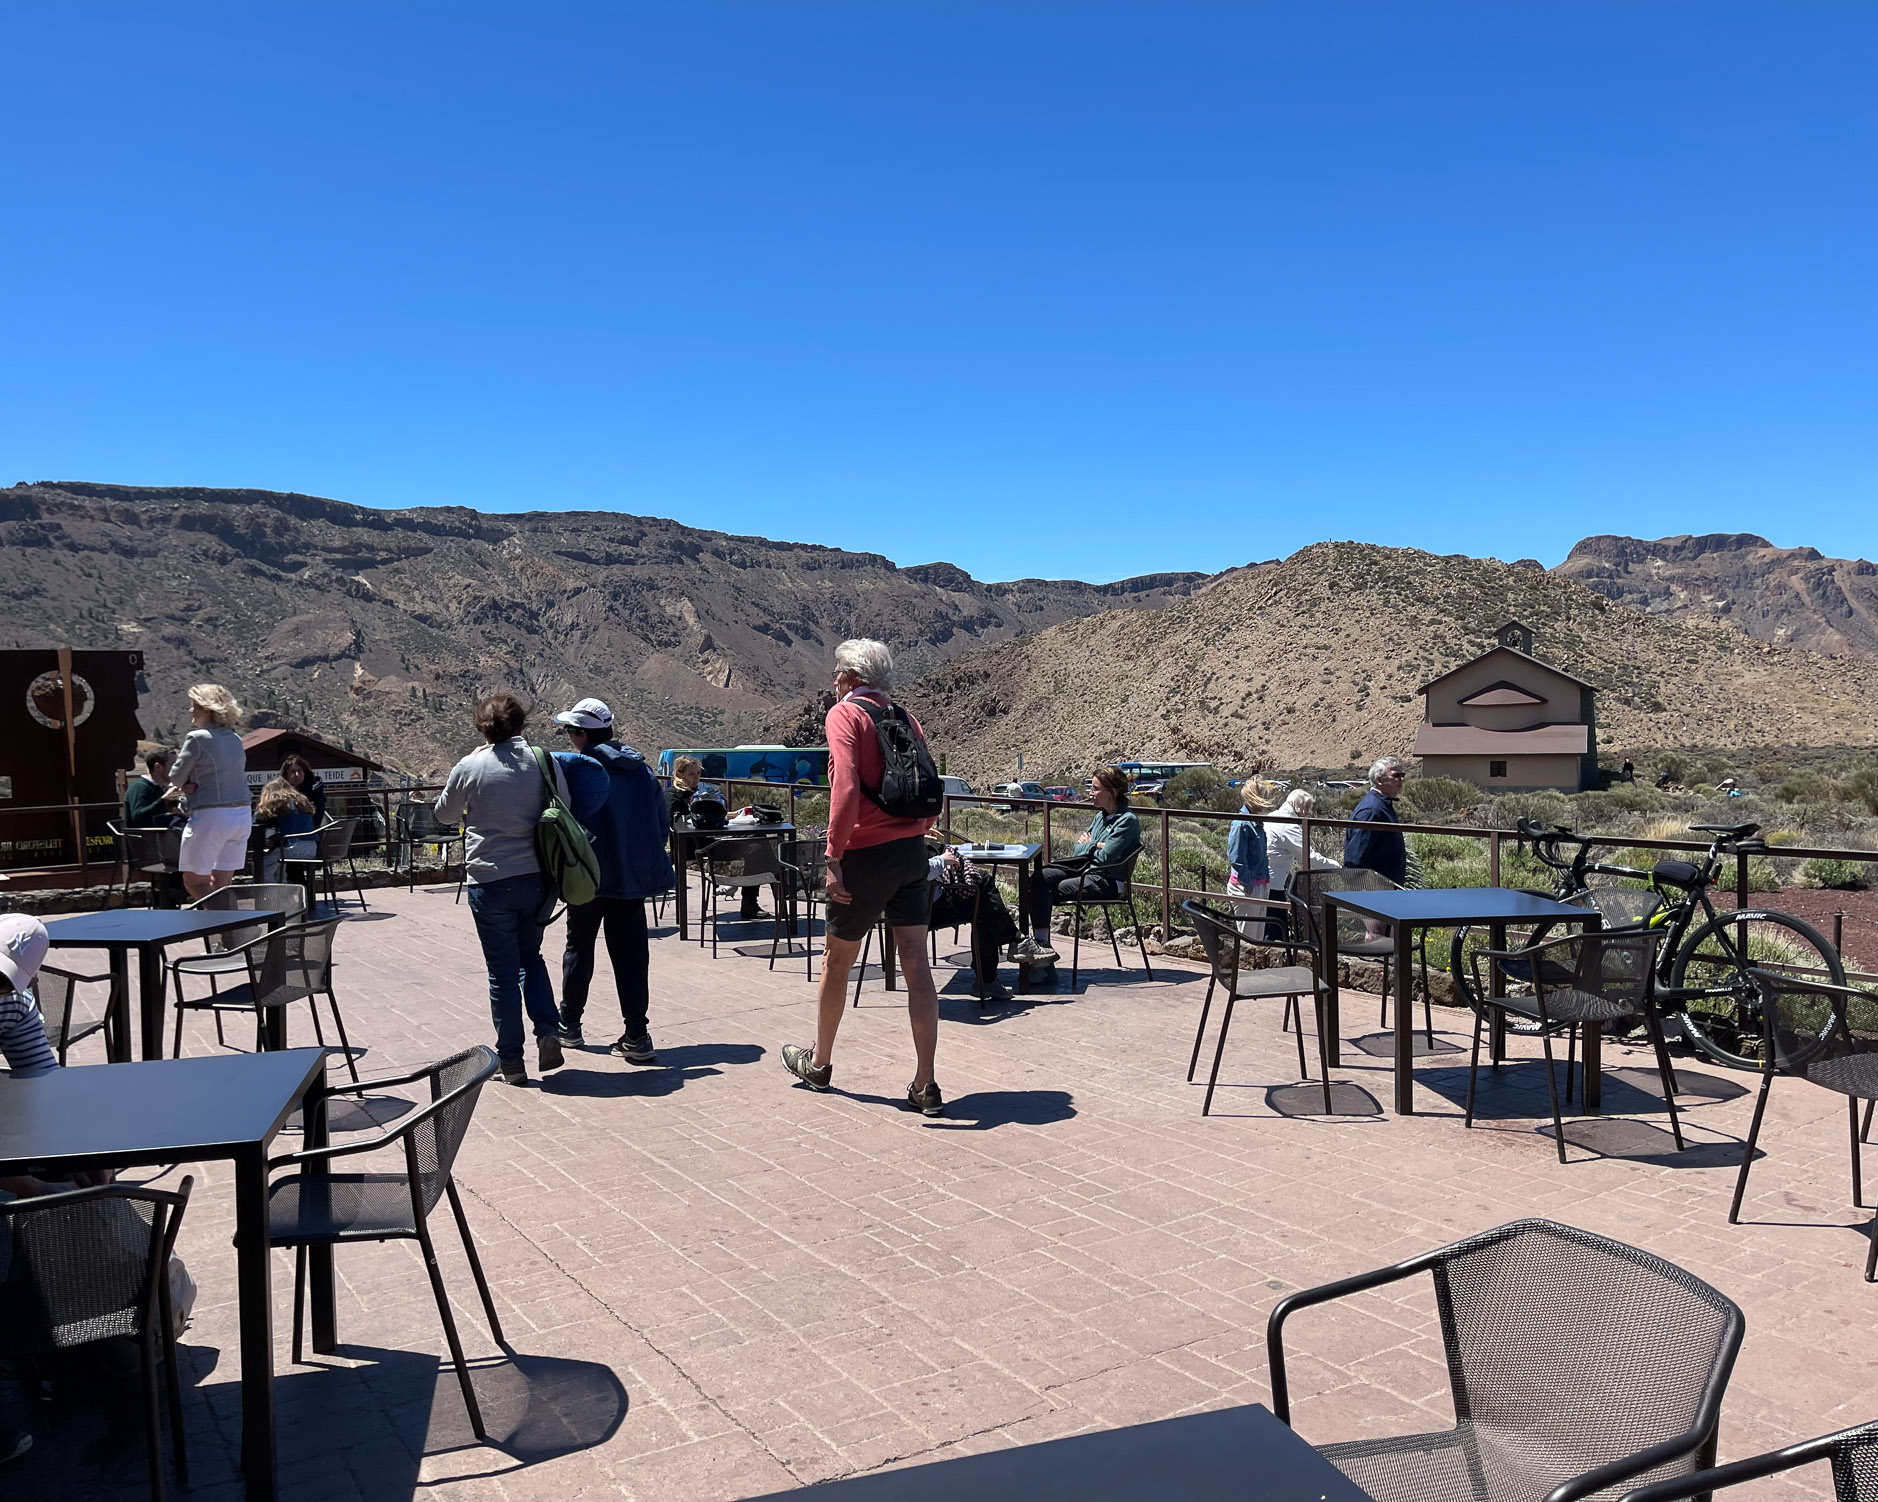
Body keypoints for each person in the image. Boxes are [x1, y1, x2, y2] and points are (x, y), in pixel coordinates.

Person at [780, 639, 945, 1115]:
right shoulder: (905, 718)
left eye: (837, 672)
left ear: (852, 677)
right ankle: (925, 1083)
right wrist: (917, 832)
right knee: (916, 962)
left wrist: (833, 855)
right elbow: (926, 782)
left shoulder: (845, 716)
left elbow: (846, 787)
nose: (834, 680)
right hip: (911, 851)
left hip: (865, 857)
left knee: (837, 960)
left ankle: (820, 1062)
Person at [437, 693, 572, 1086]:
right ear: (521, 724)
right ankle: (548, 1029)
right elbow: (564, 805)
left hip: (489, 880)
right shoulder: (543, 761)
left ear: (483, 726)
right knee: (531, 956)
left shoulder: (471, 764)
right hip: (536, 878)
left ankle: (512, 1063)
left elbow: (444, 815)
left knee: (502, 972)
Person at [549, 697, 674, 1063]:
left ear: (582, 734)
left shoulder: (575, 769)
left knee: (578, 949)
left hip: (585, 877)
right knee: (632, 955)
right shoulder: (641, 770)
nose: (570, 737)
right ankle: (636, 1033)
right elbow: (659, 824)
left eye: (571, 731)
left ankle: (569, 1024)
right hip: (630, 879)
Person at [1017, 766, 1142, 962]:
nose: (1090, 794)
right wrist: (1097, 845)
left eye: (1095, 789)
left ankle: (1042, 955)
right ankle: (1042, 948)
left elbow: (1105, 858)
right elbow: (1077, 850)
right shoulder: (1100, 817)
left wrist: (1090, 844)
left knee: (1043, 891)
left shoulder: (1127, 821)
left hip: (1107, 882)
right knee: (1040, 878)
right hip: (1087, 871)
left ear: (1112, 792)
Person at [165, 684, 253, 901]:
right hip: (241, 815)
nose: (190, 710)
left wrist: (188, 783)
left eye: (194, 705)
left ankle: (231, 931)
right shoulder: (235, 738)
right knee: (222, 885)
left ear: (206, 708)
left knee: (195, 882)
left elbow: (175, 778)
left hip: (212, 815)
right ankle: (233, 933)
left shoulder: (197, 738)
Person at [927, 843, 1018, 1003]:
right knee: (983, 902)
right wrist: (942, 859)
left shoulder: (888, 838)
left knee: (983, 894)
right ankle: (1014, 942)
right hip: (922, 912)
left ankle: (1014, 940)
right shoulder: (903, 842)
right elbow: (918, 871)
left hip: (903, 906)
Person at [1343, 755, 1408, 885]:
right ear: (1379, 780)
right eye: (1396, 776)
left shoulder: (1382, 805)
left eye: (1403, 775)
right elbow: (1356, 858)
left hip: (1386, 890)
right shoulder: (1372, 810)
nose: (1401, 779)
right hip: (1375, 891)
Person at [1265, 788, 1337, 900]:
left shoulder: (1272, 815)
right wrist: (1337, 867)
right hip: (1273, 884)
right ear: (1299, 807)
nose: (1308, 813)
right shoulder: (1288, 825)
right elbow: (1309, 858)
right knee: (1276, 916)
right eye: (1307, 808)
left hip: (1262, 881)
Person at [1227, 781, 1274, 937]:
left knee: (1256, 936)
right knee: (1249, 938)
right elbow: (1236, 857)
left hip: (1257, 884)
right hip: (1247, 886)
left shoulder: (1254, 822)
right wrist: (1248, 886)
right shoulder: (1242, 824)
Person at [253, 775, 317, 884]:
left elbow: (257, 819)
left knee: (264, 866)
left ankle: (273, 896)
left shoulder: (277, 800)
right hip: (312, 847)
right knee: (279, 865)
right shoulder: (301, 800)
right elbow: (295, 826)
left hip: (293, 848)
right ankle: (284, 892)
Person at [123, 748, 177, 828]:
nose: (177, 769)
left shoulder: (160, 788)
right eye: (173, 765)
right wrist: (164, 800)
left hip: (160, 837)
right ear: (158, 767)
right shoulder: (139, 787)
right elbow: (138, 818)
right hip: (144, 839)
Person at [279, 754, 329, 826]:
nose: (297, 775)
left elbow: (318, 814)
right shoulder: (280, 792)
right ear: (286, 774)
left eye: (299, 771)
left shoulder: (314, 790)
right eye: (293, 771)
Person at [667, 755, 703, 823]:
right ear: (679, 774)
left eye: (698, 773)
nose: (697, 777)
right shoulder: (672, 795)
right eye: (691, 774)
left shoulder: (698, 794)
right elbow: (674, 821)